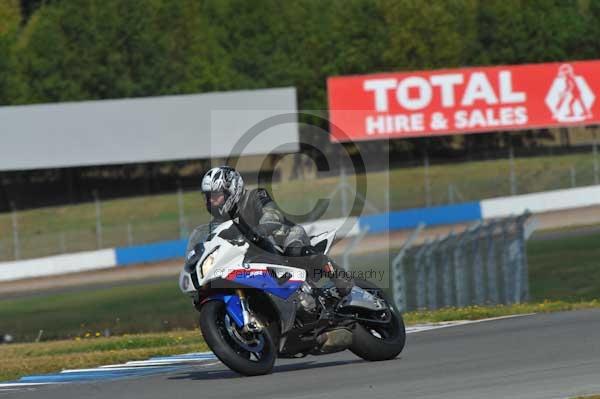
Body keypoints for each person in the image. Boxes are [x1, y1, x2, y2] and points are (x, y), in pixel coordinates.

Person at [190, 165, 352, 297]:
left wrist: (259, 229)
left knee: (294, 250)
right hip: (255, 256)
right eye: (207, 197)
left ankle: (337, 274)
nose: (211, 201)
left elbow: (272, 215)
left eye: (215, 196)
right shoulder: (217, 224)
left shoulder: (255, 195)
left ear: (231, 190)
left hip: (283, 237)